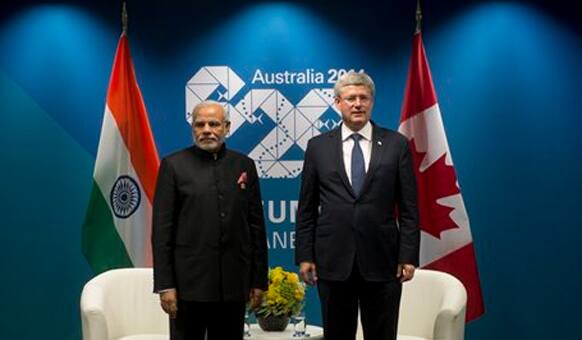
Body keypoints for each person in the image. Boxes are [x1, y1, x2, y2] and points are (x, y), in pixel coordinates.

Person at [295, 71, 420, 340]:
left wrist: (408, 255)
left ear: (372, 102)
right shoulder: (317, 147)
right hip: (333, 261)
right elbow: (306, 208)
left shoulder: (396, 144)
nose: (358, 104)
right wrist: (305, 255)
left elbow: (409, 206)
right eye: (351, 98)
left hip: (383, 260)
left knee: (382, 334)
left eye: (364, 98)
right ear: (338, 102)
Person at [152, 100, 268, 340]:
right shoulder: (173, 165)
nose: (207, 129)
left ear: (227, 127)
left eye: (214, 124)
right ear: (192, 128)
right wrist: (166, 285)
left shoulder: (244, 165)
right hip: (187, 288)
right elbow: (162, 231)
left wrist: (258, 281)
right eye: (200, 124)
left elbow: (256, 228)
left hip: (233, 287)